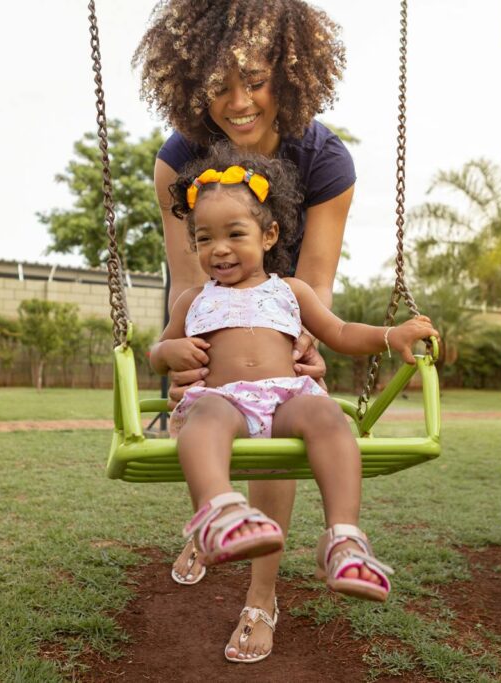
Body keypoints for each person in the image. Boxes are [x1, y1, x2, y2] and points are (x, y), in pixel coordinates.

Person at [149, 146, 439, 663]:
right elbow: (158, 352)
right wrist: (168, 351)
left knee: (328, 414)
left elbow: (342, 331)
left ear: (269, 235)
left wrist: (392, 333)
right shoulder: (191, 301)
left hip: (287, 398)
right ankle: (219, 512)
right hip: (223, 399)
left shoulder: (292, 291)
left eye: (234, 234)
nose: (219, 249)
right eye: (204, 238)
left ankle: (345, 539)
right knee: (202, 418)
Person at [134, 0, 356, 663]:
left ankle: (263, 595)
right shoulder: (179, 161)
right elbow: (188, 280)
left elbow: (313, 286)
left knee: (281, 408)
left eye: (255, 79)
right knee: (206, 403)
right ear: (191, 82)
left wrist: (304, 348)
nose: (238, 102)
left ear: (286, 75)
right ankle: (217, 511)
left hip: (284, 289)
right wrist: (184, 354)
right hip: (212, 293)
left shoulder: (325, 162)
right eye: (219, 84)